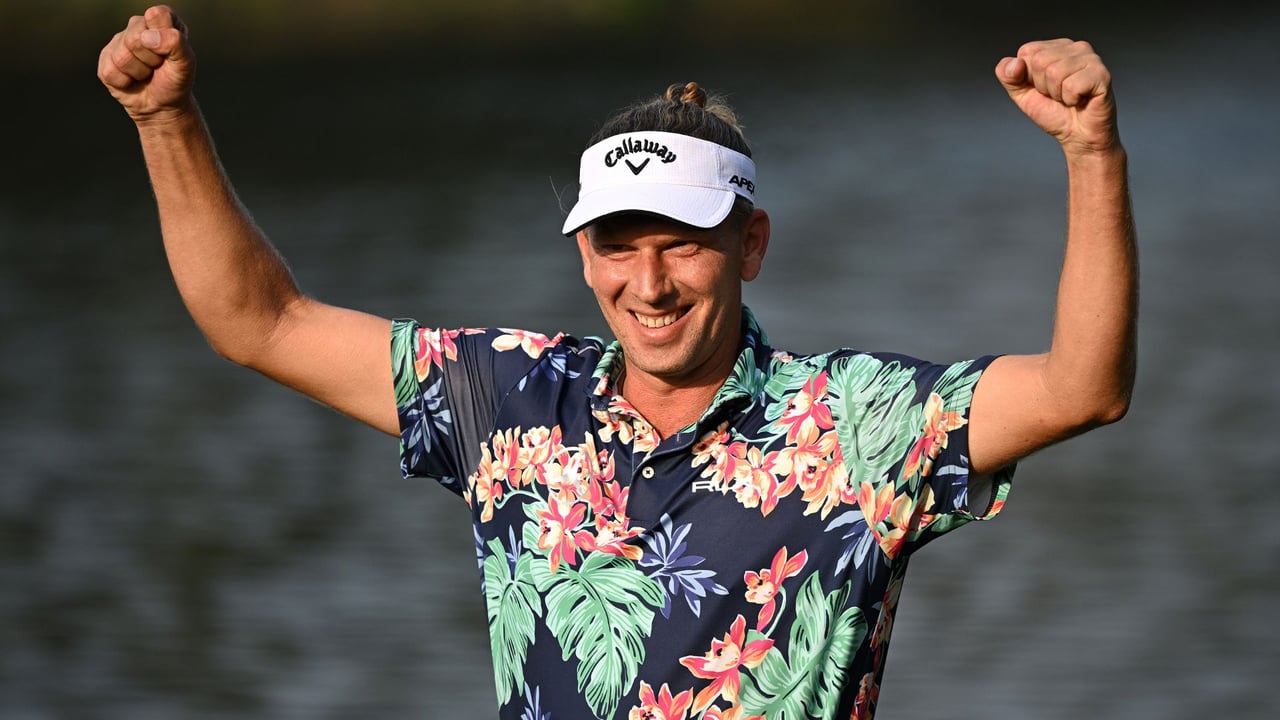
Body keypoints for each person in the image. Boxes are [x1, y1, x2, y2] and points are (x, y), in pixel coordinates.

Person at [98, 6, 1136, 719]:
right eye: (615, 244)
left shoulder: (857, 424)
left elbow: (1083, 387)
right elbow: (261, 323)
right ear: (583, 256)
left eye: (681, 241)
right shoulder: (504, 395)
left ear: (751, 245)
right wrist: (163, 121)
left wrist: (1090, 157)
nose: (648, 283)